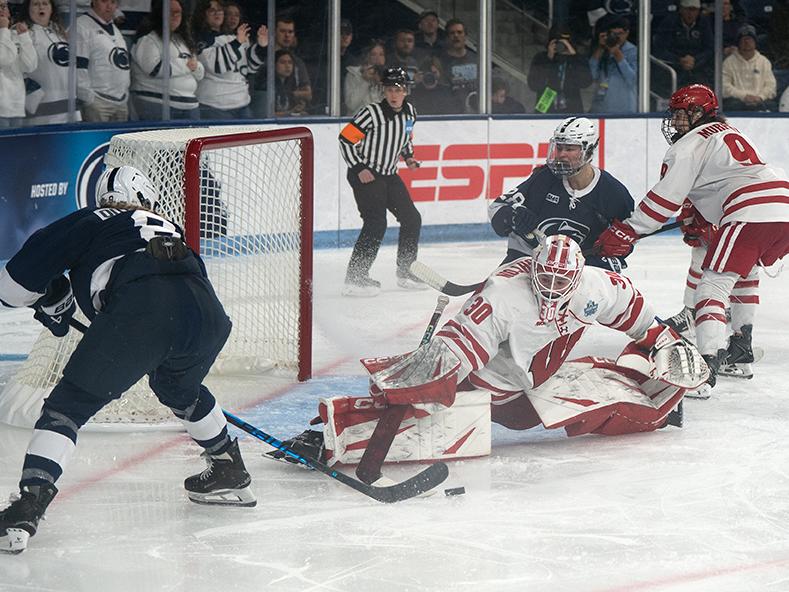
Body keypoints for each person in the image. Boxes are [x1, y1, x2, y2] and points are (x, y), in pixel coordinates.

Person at [270, 234, 706, 468]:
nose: (552, 290)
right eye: (545, 280)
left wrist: (668, 341)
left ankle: (659, 404)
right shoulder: (503, 293)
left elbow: (644, 322)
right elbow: (457, 353)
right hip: (494, 389)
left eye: (561, 283)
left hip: (538, 381)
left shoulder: (600, 287)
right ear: (533, 269)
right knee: (430, 410)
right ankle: (331, 435)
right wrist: (412, 387)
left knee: (610, 390)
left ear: (577, 277)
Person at [0, 165, 256, 555]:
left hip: (143, 310)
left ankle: (27, 509)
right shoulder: (167, 225)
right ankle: (228, 466)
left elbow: (11, 289)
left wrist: (51, 295)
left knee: (67, 408)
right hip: (207, 314)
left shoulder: (90, 219)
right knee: (178, 387)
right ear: (145, 199)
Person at [594, 84, 789, 398]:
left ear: (703, 113)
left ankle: (705, 366)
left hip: (749, 208)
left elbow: (665, 199)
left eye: (688, 112)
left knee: (712, 284)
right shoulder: (727, 132)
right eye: (677, 113)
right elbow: (720, 183)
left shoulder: (689, 144)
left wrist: (629, 229)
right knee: (744, 273)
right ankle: (741, 350)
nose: (680, 120)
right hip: (782, 202)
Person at [489, 117, 634, 272]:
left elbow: (626, 241)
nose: (561, 155)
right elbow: (497, 208)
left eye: (570, 149)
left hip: (577, 269)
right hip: (528, 260)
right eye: (559, 148)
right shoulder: (544, 178)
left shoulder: (613, 193)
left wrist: (605, 259)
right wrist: (513, 215)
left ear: (589, 151)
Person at [338, 66, 423, 296]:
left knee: (412, 218)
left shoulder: (410, 113)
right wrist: (359, 167)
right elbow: (346, 140)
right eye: (389, 89)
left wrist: (409, 157)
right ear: (383, 91)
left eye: (398, 89)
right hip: (365, 174)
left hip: (388, 174)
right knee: (376, 222)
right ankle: (355, 277)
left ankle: (406, 271)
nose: (394, 94)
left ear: (406, 91)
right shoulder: (371, 113)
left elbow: (405, 138)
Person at [191, 0, 266, 120]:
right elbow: (217, 66)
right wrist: (237, 43)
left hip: (242, 103)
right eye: (212, 10)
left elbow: (249, 68)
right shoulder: (202, 39)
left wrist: (261, 48)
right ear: (203, 14)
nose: (217, 13)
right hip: (214, 105)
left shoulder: (235, 37)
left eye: (220, 10)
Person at [130, 0, 204, 120]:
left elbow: (199, 73)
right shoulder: (148, 39)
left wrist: (194, 67)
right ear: (160, 14)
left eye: (178, 12)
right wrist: (187, 66)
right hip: (158, 104)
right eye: (170, 12)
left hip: (190, 106)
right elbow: (156, 69)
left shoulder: (183, 41)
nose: (175, 16)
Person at [22, 0, 80, 125]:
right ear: (28, 9)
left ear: (51, 8)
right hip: (42, 112)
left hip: (70, 109)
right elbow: (16, 70)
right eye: (36, 4)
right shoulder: (23, 33)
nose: (41, 7)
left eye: (45, 3)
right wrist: (34, 95)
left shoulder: (60, 33)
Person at [76, 0, 130, 122]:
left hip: (121, 101)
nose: (109, 6)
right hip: (98, 102)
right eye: (104, 1)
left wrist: (124, 93)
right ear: (93, 1)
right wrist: (89, 99)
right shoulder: (81, 26)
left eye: (113, 2)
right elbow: (77, 67)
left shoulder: (115, 29)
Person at [526, 23, 591, 114]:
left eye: (565, 43)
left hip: (572, 110)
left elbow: (585, 83)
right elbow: (534, 85)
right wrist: (548, 59)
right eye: (558, 43)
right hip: (546, 110)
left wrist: (574, 57)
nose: (561, 46)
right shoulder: (541, 58)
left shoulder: (577, 59)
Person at [653, 0, 713, 88]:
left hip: (698, 68)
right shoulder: (669, 22)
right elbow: (660, 49)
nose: (691, 13)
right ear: (681, 9)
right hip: (673, 67)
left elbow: (710, 48)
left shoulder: (704, 23)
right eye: (687, 9)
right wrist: (679, 60)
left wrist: (695, 60)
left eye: (694, 10)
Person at [721, 24, 777, 112]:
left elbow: (771, 86)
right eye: (743, 39)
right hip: (737, 102)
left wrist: (760, 97)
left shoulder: (764, 61)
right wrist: (744, 96)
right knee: (731, 104)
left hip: (759, 101)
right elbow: (724, 87)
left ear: (755, 42)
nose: (747, 42)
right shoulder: (728, 62)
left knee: (772, 105)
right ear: (738, 43)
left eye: (750, 39)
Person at [588, 14, 637, 113]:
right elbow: (591, 74)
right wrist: (600, 48)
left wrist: (617, 53)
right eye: (613, 34)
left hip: (624, 107)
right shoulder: (602, 49)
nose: (617, 37)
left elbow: (632, 79)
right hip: (601, 107)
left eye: (620, 33)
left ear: (627, 33)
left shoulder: (633, 51)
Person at [0, 0, 37, 128]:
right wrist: (3, 30)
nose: (2, 10)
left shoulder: (13, 35)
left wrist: (25, 38)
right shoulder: (4, 33)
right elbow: (3, 59)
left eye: (4, 6)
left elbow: (29, 66)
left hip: (16, 106)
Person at [438, 18, 478, 113]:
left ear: (465, 36)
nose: (456, 36)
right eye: (452, 33)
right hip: (450, 113)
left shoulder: (476, 59)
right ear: (447, 37)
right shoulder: (439, 61)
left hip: (476, 113)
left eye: (459, 32)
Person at [343, 39, 385, 116]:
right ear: (366, 56)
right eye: (373, 54)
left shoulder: (389, 77)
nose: (377, 58)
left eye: (381, 54)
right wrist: (365, 81)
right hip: (357, 121)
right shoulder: (353, 74)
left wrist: (381, 84)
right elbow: (351, 104)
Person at [273, 48, 306, 116]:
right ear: (274, 65)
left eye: (290, 62)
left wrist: (297, 111)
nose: (287, 66)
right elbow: (264, 114)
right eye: (282, 62)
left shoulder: (291, 84)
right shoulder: (266, 85)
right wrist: (290, 112)